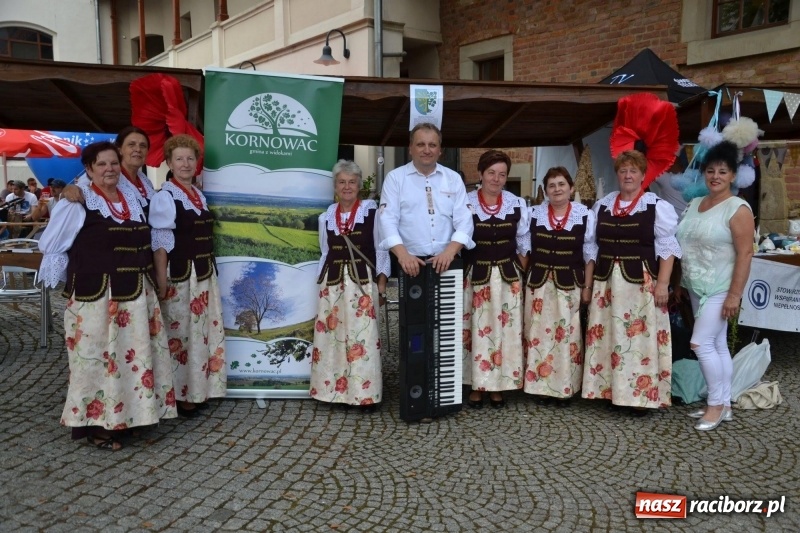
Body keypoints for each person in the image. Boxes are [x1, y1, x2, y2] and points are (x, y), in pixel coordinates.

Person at [38, 141, 176, 451]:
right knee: (97, 361)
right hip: (99, 297)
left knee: (133, 360)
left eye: (114, 163)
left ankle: (128, 419)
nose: (110, 169)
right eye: (101, 164)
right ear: (88, 169)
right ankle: (98, 426)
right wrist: (74, 281)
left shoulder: (132, 198)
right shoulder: (77, 202)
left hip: (137, 295)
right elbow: (52, 245)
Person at [582, 150, 682, 414]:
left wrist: (663, 284)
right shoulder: (603, 205)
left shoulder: (656, 205)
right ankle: (610, 391)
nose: (628, 175)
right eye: (623, 170)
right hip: (607, 285)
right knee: (609, 338)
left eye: (633, 171)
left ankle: (639, 397)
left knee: (639, 340)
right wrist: (589, 286)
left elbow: (668, 248)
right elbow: (591, 248)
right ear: (617, 174)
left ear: (642, 175)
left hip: (641, 284)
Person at [676, 141, 754, 431]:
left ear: (733, 176)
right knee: (718, 345)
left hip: (721, 287)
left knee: (700, 344)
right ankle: (726, 402)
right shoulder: (696, 204)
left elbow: (746, 253)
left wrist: (735, 294)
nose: (716, 176)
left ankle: (715, 405)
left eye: (723, 171)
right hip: (696, 284)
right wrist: (680, 282)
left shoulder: (738, 209)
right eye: (710, 171)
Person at [149, 134, 225, 418]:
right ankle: (179, 396)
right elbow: (160, 244)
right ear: (169, 162)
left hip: (203, 275)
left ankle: (196, 389)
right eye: (179, 159)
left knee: (200, 334)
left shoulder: (198, 195)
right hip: (182, 277)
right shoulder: (166, 197)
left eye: (190, 158)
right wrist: (161, 280)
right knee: (179, 336)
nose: (185, 164)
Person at [310, 160, 390, 411]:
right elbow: (325, 252)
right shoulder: (326, 217)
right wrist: (319, 284)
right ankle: (334, 392)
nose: (347, 187)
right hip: (332, 284)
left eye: (352, 182)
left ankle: (365, 394)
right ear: (335, 186)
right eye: (342, 182)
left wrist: (382, 283)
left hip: (362, 285)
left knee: (363, 338)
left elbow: (381, 248)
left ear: (359, 185)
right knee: (333, 338)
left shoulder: (371, 212)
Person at [461, 150, 529, 409]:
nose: (496, 179)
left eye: (502, 174)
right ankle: (477, 385)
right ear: (480, 174)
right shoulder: (466, 202)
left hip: (507, 280)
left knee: (504, 333)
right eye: (491, 173)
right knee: (476, 332)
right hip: (476, 278)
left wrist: (518, 270)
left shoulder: (516, 203)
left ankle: (499, 386)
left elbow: (523, 241)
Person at [523, 167, 596, 406]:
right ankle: (541, 387)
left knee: (567, 336)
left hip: (569, 285)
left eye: (562, 184)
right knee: (538, 335)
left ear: (571, 188)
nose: (557, 189)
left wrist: (587, 287)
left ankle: (564, 388)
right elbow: (523, 249)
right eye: (552, 185)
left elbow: (589, 254)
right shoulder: (533, 214)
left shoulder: (584, 215)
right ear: (546, 190)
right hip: (539, 284)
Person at [379, 122, 473, 276]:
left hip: (447, 261)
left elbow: (465, 220)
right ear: (410, 148)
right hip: (409, 262)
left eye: (432, 145)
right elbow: (387, 220)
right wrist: (403, 255)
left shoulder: (453, 179)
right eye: (421, 144)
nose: (427, 150)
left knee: (448, 301)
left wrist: (449, 252)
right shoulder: (395, 178)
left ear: (440, 150)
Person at [64, 126, 156, 214]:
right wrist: (68, 189)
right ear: (119, 150)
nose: (138, 149)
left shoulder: (145, 181)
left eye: (143, 146)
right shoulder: (108, 175)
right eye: (131, 145)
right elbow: (76, 190)